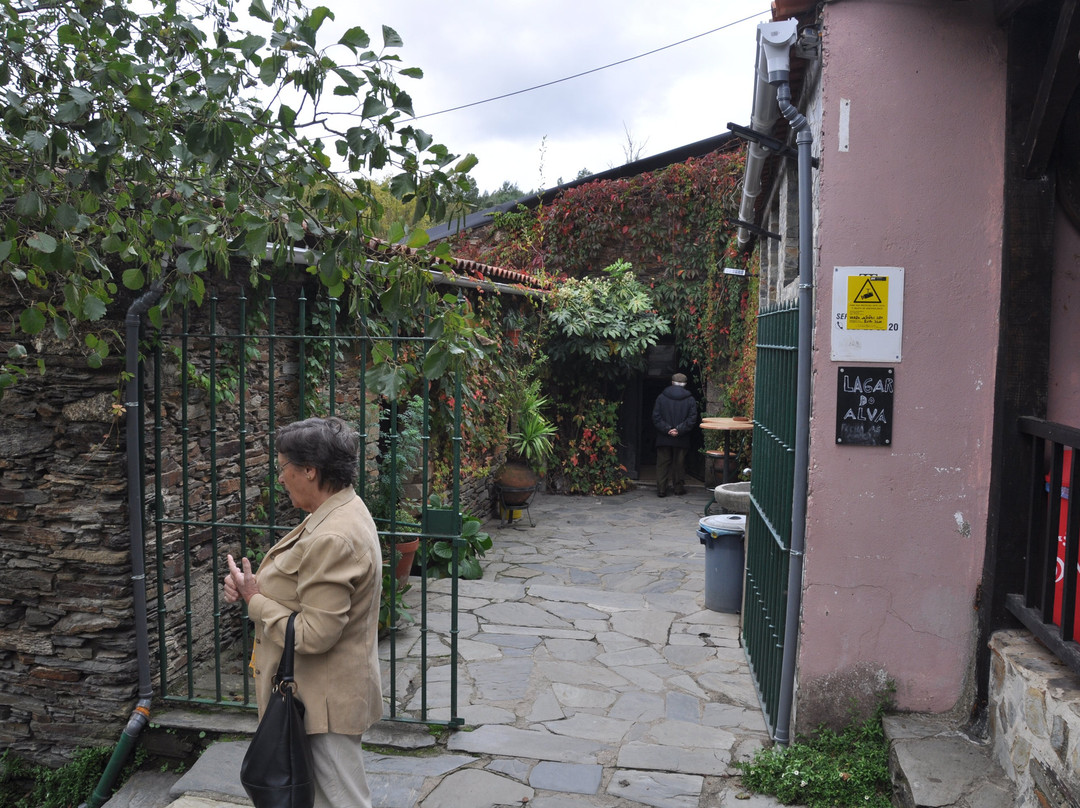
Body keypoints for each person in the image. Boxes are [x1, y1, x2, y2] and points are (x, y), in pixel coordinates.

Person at [223, 416, 382, 808]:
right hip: (317, 697)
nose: (281, 477)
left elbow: (314, 633)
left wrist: (254, 601)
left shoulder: (333, 533)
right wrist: (253, 586)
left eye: (284, 468)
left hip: (323, 702)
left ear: (309, 471)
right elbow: (302, 587)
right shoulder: (335, 509)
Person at [652, 372, 699, 497]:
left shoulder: (661, 397)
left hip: (664, 436)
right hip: (682, 437)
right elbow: (692, 419)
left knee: (662, 463)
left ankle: (661, 489)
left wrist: (667, 429)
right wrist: (678, 430)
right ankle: (678, 488)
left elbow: (656, 417)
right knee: (679, 463)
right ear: (685, 384)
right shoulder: (690, 399)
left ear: (672, 383)